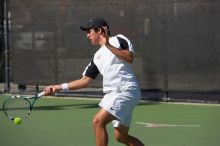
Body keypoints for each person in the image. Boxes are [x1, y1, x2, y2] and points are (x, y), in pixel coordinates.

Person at [44, 18, 145, 146]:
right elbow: (84, 81)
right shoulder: (97, 57)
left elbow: (129, 58)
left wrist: (107, 44)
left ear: (100, 30)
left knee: (98, 121)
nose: (87, 35)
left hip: (126, 90)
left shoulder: (119, 39)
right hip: (112, 95)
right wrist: (57, 87)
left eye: (89, 31)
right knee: (121, 137)